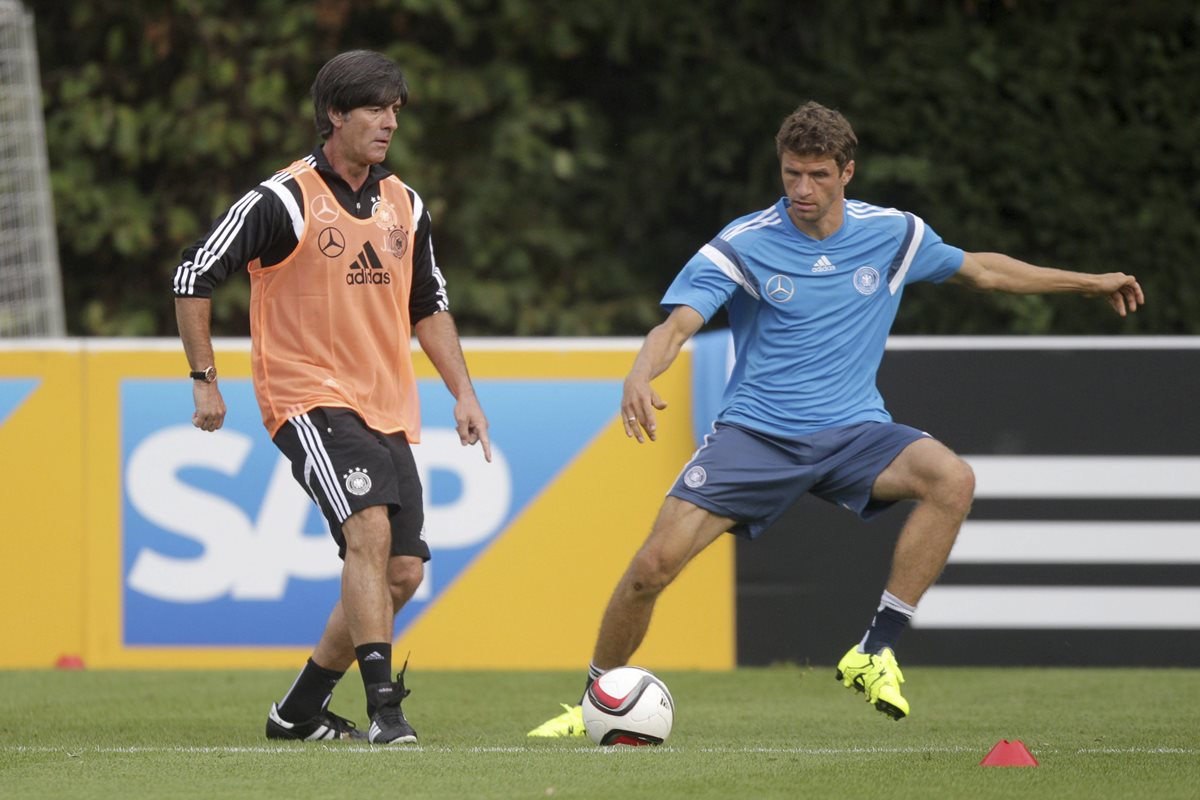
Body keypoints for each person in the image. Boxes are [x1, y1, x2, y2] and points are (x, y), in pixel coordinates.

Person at [528, 100, 1143, 736]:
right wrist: (639, 373)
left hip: (855, 433)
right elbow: (678, 324)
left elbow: (984, 271)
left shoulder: (894, 234)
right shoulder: (745, 243)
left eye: (818, 175)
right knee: (651, 569)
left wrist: (1090, 283)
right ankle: (592, 702)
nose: (802, 188)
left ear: (847, 172)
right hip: (757, 436)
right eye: (791, 173)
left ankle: (876, 650)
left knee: (952, 479)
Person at [174, 50, 491, 745]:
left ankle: (297, 712)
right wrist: (205, 378)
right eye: (375, 109)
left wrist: (463, 394)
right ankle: (386, 713)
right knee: (368, 531)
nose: (390, 123)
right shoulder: (283, 200)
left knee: (401, 571)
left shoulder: (406, 204)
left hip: (387, 404)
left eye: (395, 110)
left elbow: (429, 305)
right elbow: (194, 274)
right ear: (335, 115)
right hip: (306, 394)